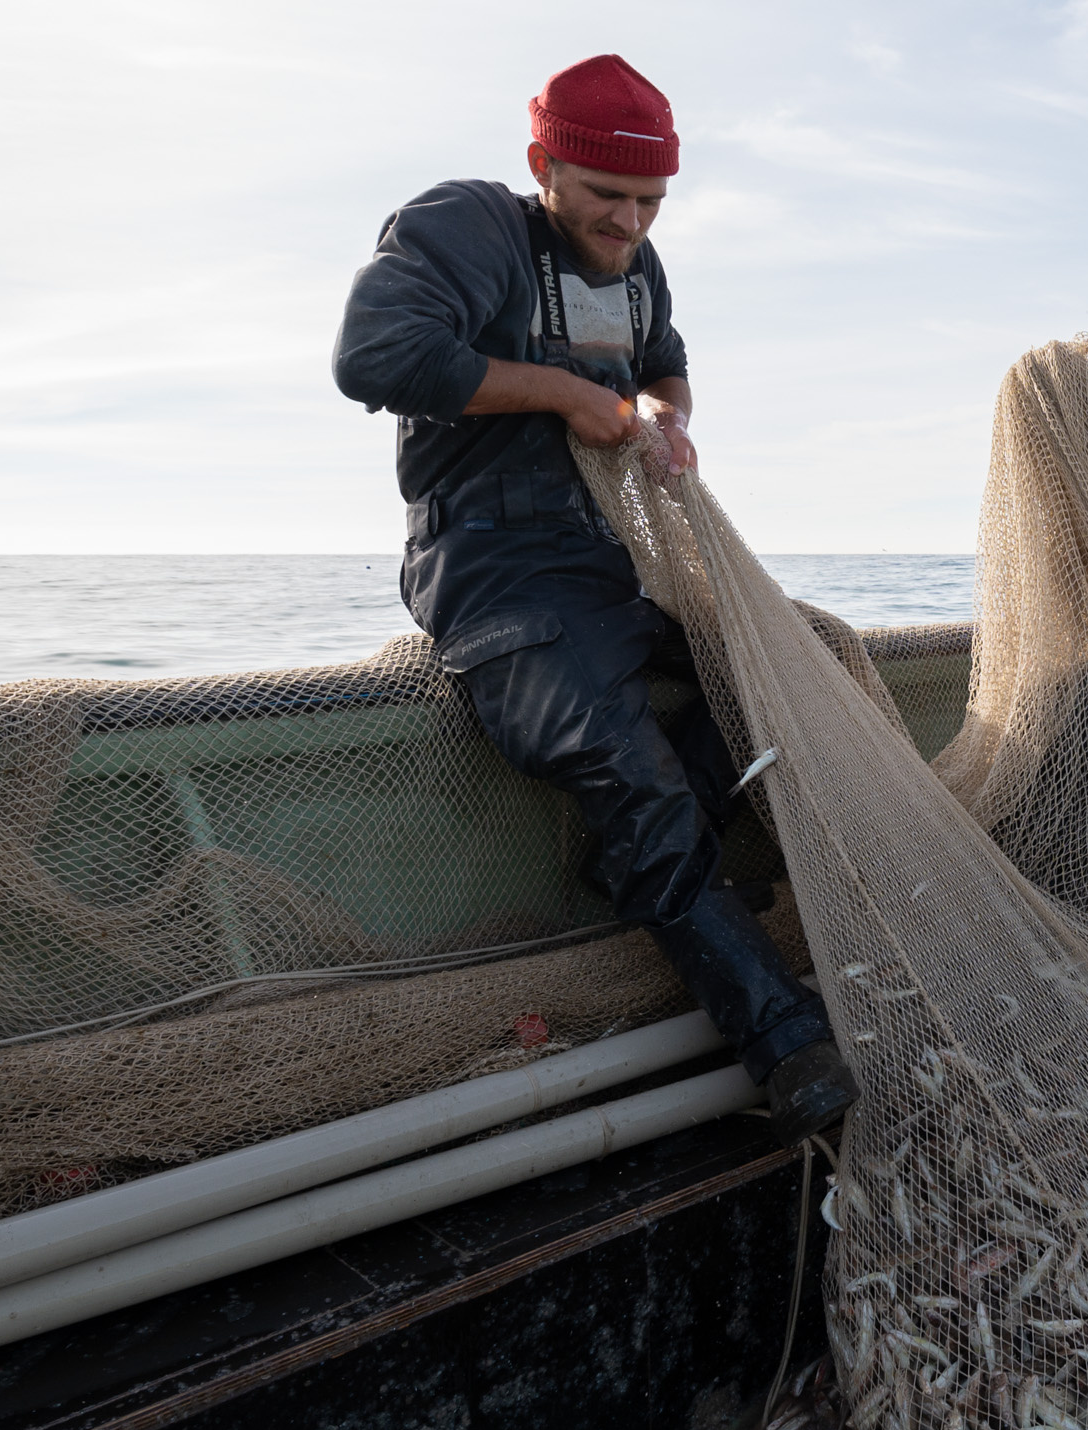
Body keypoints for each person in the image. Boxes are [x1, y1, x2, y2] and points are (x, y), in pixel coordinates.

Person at [332, 55, 855, 1145]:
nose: (627, 222)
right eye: (606, 195)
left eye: (650, 202)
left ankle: (635, 869)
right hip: (493, 581)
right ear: (543, 167)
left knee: (806, 660)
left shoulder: (638, 264)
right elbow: (373, 353)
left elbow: (666, 367)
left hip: (613, 573)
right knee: (636, 773)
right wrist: (567, 391)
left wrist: (666, 415)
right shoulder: (468, 228)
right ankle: (785, 1040)